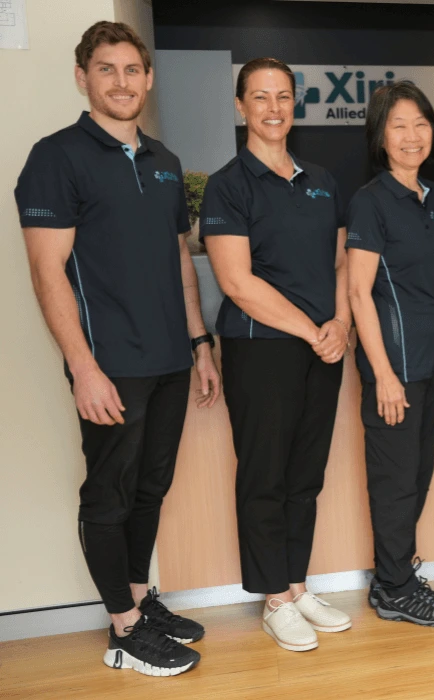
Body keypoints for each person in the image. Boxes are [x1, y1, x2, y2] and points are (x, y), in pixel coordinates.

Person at [15, 21, 220, 676]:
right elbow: (47, 273)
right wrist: (82, 367)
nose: (122, 82)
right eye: (107, 69)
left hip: (168, 357)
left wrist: (199, 342)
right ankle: (124, 633)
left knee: (150, 487)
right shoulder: (57, 158)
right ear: (83, 77)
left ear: (148, 78)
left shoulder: (162, 162)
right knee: (109, 494)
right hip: (110, 364)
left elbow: (178, 262)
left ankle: (138, 598)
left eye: (133, 70)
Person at [200, 57, 352, 652]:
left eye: (283, 96)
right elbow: (238, 282)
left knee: (304, 476)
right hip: (260, 348)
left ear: (295, 105)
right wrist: (313, 330)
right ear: (241, 107)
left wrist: (338, 321)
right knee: (264, 476)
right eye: (259, 97)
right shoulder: (227, 185)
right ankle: (272, 600)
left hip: (321, 348)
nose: (272, 108)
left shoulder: (321, 179)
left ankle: (296, 583)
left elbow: (338, 262)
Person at [346, 81, 434, 627]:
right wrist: (384, 375)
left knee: (417, 476)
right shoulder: (370, 202)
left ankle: (393, 575)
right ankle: (394, 587)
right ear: (381, 136)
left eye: (420, 124)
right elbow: (357, 291)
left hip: (433, 361)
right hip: (392, 365)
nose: (411, 136)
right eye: (398, 126)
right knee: (394, 483)